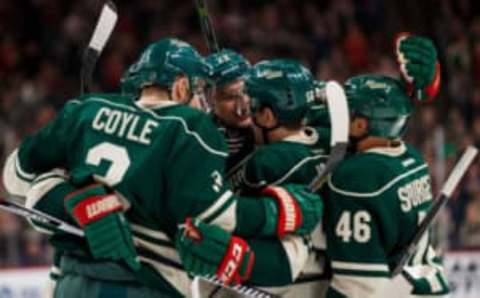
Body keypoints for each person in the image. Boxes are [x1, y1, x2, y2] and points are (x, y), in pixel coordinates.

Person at [2, 38, 323, 297]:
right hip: (151, 284)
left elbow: (14, 179)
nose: (206, 104)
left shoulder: (86, 110)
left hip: (73, 279)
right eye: (204, 93)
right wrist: (281, 212)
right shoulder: (192, 128)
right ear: (182, 88)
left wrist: (71, 199)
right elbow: (216, 218)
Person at [323, 74, 449, 298]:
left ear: (361, 124)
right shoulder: (413, 158)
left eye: (347, 114)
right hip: (427, 283)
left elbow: (357, 287)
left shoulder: (357, 177)